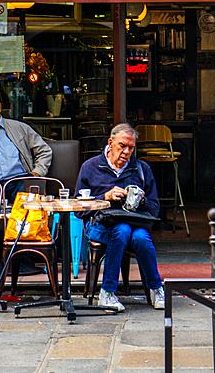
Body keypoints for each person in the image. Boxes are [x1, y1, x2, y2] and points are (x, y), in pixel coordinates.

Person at [75, 123, 165, 311]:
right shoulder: (91, 167)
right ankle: (107, 293)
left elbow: (155, 209)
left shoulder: (141, 169)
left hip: (134, 222)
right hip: (100, 225)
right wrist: (104, 197)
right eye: (122, 146)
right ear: (110, 143)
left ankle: (156, 289)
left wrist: (141, 201)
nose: (126, 151)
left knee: (140, 237)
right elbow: (79, 209)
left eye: (131, 148)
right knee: (121, 230)